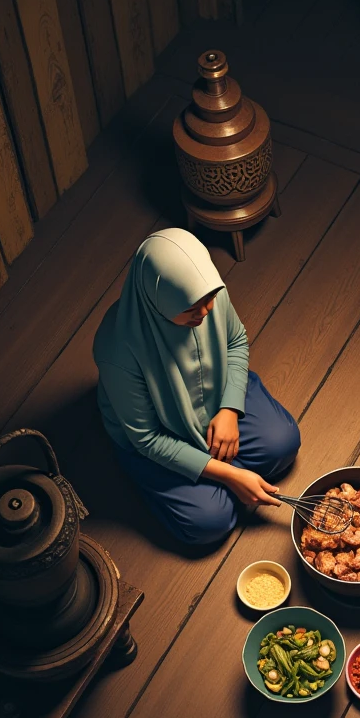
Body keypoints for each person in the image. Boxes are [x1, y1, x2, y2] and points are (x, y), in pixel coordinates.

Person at [93, 229, 299, 544]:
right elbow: (147, 439)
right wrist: (229, 474)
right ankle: (217, 467)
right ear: (157, 300)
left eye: (209, 302)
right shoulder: (117, 351)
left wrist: (229, 409)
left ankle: (224, 454)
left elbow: (236, 342)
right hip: (160, 436)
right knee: (212, 522)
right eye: (191, 309)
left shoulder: (208, 293)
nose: (205, 313)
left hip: (216, 397)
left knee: (283, 444)